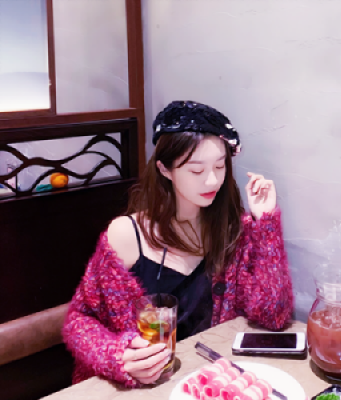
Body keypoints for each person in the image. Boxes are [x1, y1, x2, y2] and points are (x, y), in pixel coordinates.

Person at [62, 100, 293, 388]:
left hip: (207, 380)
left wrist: (266, 222)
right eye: (196, 171)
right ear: (165, 169)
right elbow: (78, 321)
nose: (212, 180)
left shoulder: (232, 229)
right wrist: (119, 357)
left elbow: (273, 316)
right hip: (144, 387)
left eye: (220, 166)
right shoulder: (127, 234)